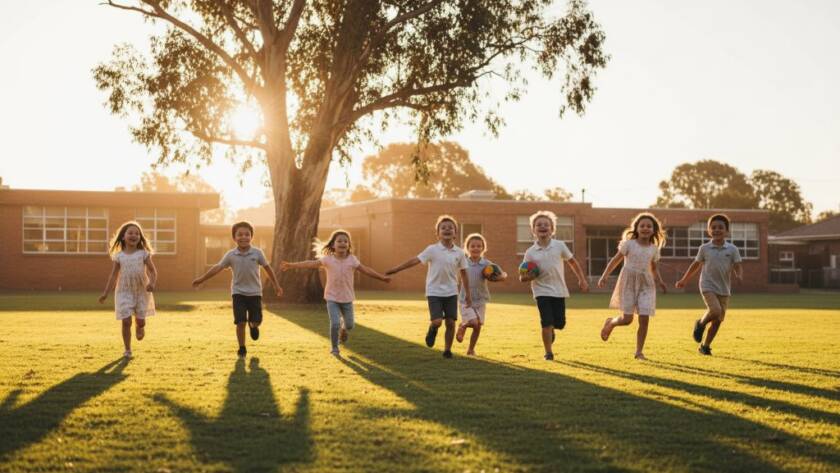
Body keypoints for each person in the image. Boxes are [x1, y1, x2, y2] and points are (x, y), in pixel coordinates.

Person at [281, 229, 391, 357]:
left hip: (347, 298)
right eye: (339, 241)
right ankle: (334, 348)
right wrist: (291, 265)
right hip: (332, 297)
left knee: (349, 325)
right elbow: (310, 264)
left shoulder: (352, 260)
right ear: (333, 245)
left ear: (349, 245)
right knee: (334, 323)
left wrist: (381, 278)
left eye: (345, 241)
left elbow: (366, 270)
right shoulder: (328, 260)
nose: (343, 243)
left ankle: (344, 330)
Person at [192, 221, 283, 358]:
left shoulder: (257, 253)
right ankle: (242, 348)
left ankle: (253, 326)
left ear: (251, 237)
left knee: (256, 320)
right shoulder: (231, 255)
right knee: (240, 322)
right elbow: (218, 267)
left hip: (255, 293)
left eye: (247, 234)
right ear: (234, 237)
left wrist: (276, 285)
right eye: (240, 234)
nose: (243, 237)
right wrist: (202, 279)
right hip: (238, 293)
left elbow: (267, 268)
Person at [386, 215, 471, 359]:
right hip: (434, 292)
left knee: (450, 322)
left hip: (451, 291)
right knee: (437, 321)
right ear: (437, 233)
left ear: (455, 233)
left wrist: (467, 293)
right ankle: (432, 329)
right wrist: (397, 269)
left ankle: (447, 350)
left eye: (450, 227)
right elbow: (415, 260)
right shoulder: (432, 249)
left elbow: (464, 273)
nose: (447, 230)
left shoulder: (460, 253)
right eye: (443, 228)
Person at [597, 213, 668, 360]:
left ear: (654, 230)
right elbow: (615, 260)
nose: (645, 228)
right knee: (627, 319)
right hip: (628, 283)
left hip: (646, 285)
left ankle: (639, 352)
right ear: (636, 228)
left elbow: (654, 268)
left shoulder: (654, 249)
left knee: (644, 318)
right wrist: (604, 275)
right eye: (642, 225)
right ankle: (611, 322)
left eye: (649, 226)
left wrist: (660, 282)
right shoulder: (629, 244)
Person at [520, 210, 589, 360]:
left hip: (559, 291)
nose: (543, 227)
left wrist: (582, 279)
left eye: (546, 224)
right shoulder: (530, 252)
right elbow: (523, 275)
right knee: (546, 322)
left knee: (559, 323)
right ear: (533, 230)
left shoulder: (560, 246)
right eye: (539, 225)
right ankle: (548, 352)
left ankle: (552, 330)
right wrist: (527, 277)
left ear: (552, 229)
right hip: (541, 291)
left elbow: (572, 262)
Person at [676, 213, 743, 355]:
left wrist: (739, 275)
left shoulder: (732, 249)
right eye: (713, 227)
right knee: (715, 310)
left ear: (727, 231)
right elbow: (695, 265)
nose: (717, 230)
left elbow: (738, 265)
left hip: (724, 288)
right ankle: (700, 323)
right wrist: (684, 280)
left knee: (718, 320)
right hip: (707, 285)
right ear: (709, 230)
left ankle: (705, 346)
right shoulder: (704, 248)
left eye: (720, 227)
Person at [98, 221, 157, 359]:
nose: (134, 235)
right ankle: (127, 349)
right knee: (126, 321)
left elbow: (153, 271)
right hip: (124, 291)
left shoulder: (143, 254)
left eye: (137, 233)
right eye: (130, 233)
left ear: (140, 237)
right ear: (123, 236)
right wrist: (106, 293)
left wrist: (152, 283)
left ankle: (140, 325)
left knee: (140, 321)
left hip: (142, 290)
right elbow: (113, 276)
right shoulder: (119, 256)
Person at [455, 233, 507, 356]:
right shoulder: (463, 263)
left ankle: (471, 349)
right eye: (472, 246)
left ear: (483, 248)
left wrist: (501, 277)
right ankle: (463, 325)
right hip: (465, 299)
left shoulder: (487, 264)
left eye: (479, 246)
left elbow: (502, 274)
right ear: (467, 248)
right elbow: (456, 277)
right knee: (473, 322)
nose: (476, 248)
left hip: (480, 299)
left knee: (478, 326)